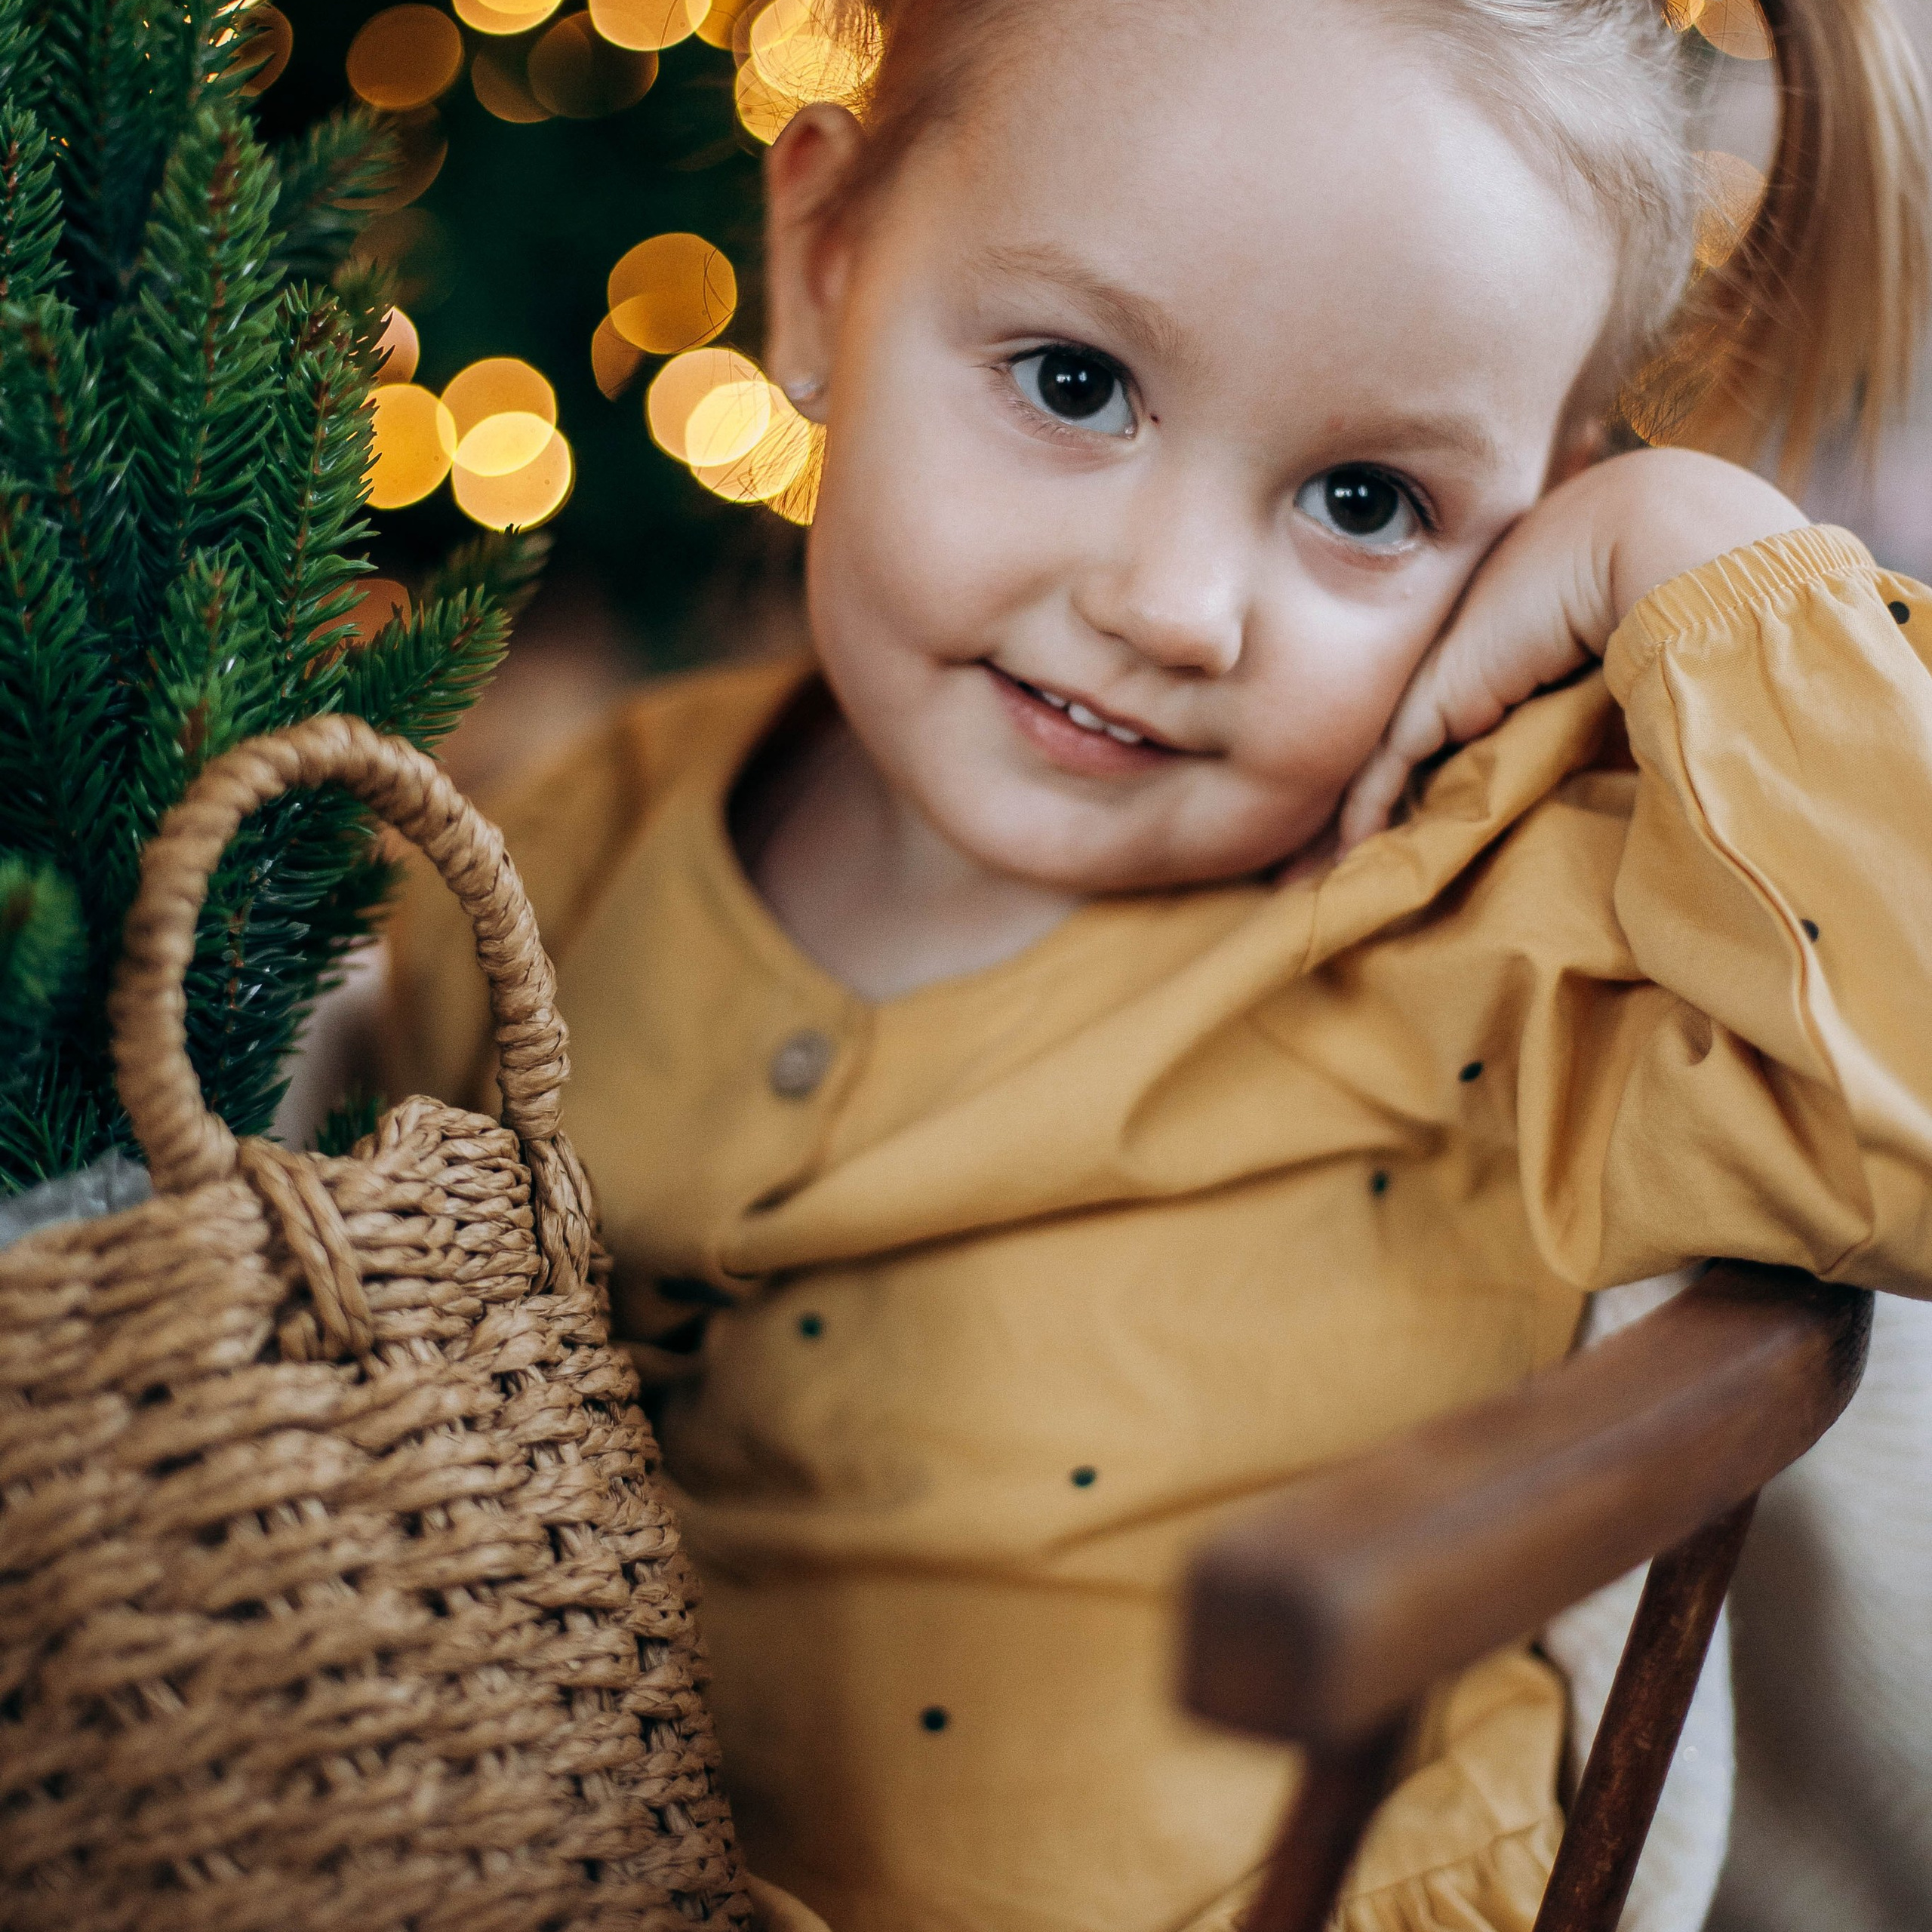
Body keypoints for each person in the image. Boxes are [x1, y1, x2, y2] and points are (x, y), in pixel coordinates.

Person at [379, 2, 1932, 1927]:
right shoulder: (552, 857)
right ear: (821, 263)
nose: (1169, 605)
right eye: (1073, 378)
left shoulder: (1481, 927)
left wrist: (1692, 553)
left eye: (1368, 500)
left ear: (1529, 515)